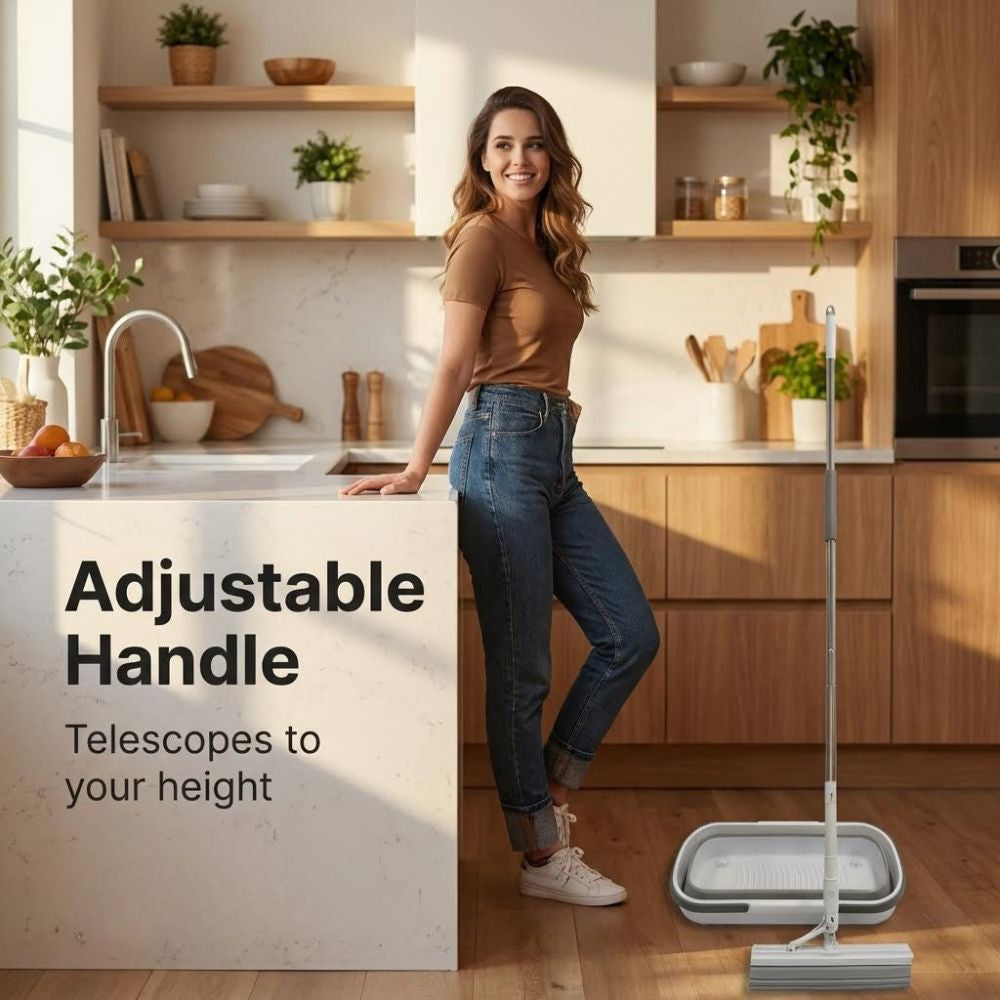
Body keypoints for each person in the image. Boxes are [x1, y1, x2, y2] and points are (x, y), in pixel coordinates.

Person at [339, 86, 660, 906]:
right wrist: (418, 468)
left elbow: (530, 353)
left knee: (629, 633)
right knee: (521, 670)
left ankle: (547, 796)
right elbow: (451, 363)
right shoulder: (480, 240)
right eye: (505, 145)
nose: (521, 158)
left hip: (551, 453)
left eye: (535, 144)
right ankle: (541, 857)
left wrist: (548, 418)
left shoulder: (546, 244)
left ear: (552, 157)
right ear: (482, 159)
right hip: (498, 454)